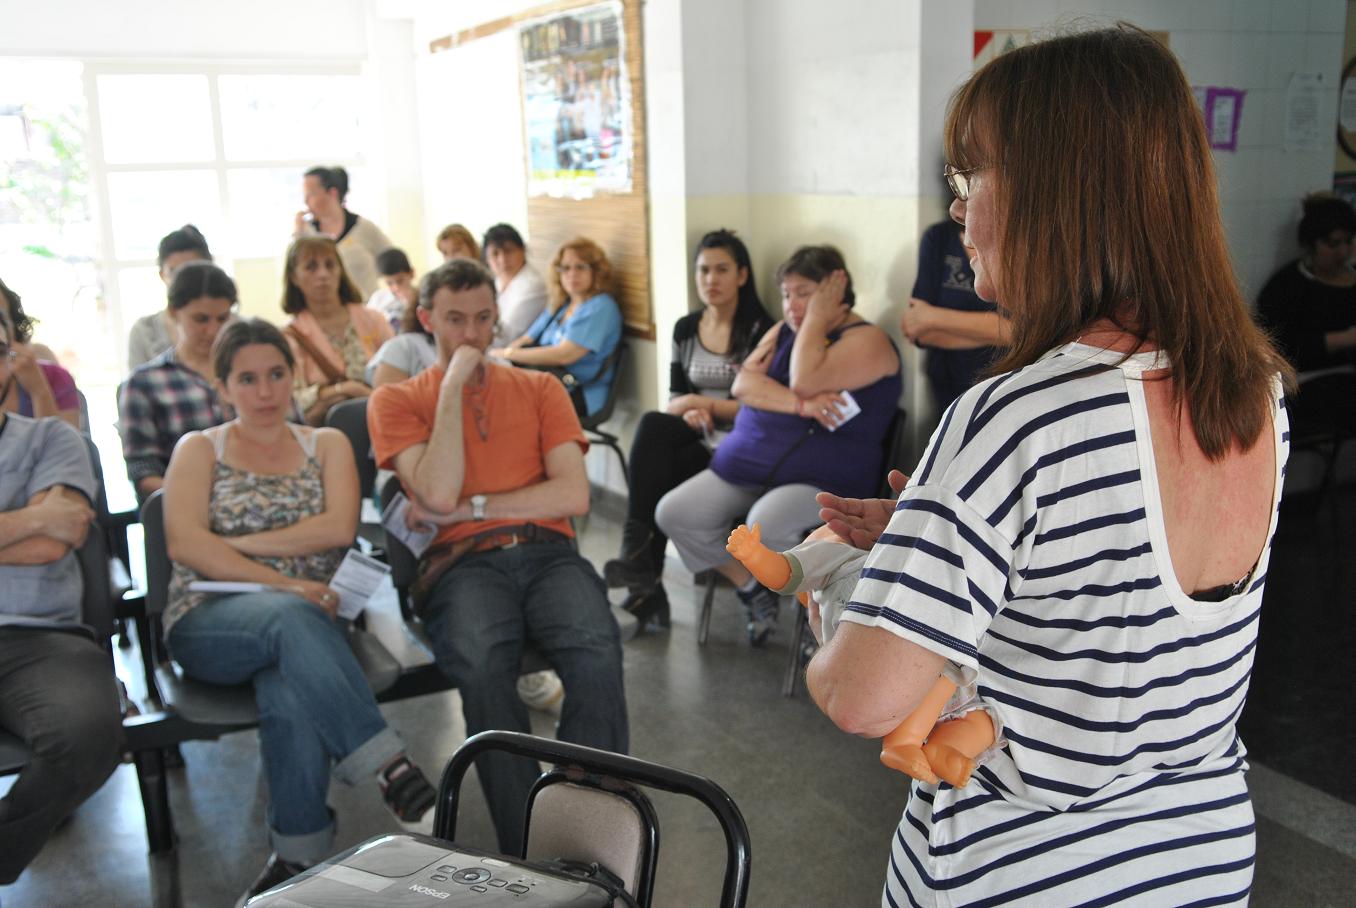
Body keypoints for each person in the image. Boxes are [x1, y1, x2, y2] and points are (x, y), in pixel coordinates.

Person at [808, 26, 1292, 906]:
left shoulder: (1018, 413)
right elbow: (1118, 603)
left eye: (973, 177)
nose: (958, 209)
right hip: (1199, 859)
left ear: (1060, 194)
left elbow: (862, 698)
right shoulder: (1255, 388)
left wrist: (838, 585)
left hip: (1026, 873)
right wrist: (945, 537)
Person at [161, 318, 437, 904]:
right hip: (211, 619)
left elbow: (336, 529)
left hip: (315, 619)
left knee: (290, 686)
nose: (265, 392)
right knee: (288, 618)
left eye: (277, 374)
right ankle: (389, 766)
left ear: (294, 376)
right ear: (223, 387)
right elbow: (184, 546)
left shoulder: (327, 444)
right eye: (248, 379)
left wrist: (230, 546)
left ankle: (298, 856)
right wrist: (280, 582)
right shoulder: (198, 449)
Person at [368, 258, 627, 855]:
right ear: (427, 318)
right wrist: (454, 385)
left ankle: (582, 828)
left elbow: (572, 493)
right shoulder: (397, 402)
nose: (472, 334)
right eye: (455, 320)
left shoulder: (541, 388)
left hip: (546, 551)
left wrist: (471, 507)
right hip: (459, 567)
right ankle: (529, 850)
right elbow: (434, 492)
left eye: (484, 319)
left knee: (595, 648)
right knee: (483, 665)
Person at [654, 245, 901, 646]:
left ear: (835, 287)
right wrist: (801, 405)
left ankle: (813, 617)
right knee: (676, 513)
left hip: (822, 475)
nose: (791, 305)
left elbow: (805, 378)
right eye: (786, 295)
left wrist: (816, 321)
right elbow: (743, 384)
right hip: (753, 462)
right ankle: (753, 590)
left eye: (804, 293)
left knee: (764, 526)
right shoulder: (785, 331)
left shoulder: (868, 340)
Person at [0, 313, 123, 887]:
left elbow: (59, 537)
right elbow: (40, 527)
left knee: (88, 728)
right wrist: (28, 517)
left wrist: (41, 525)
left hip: (39, 636)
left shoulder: (53, 438)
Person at [601, 229, 772, 629]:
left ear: (742, 276)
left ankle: (643, 578)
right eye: (703, 270)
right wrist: (689, 412)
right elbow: (676, 399)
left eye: (721, 270)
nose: (710, 279)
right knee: (654, 427)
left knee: (659, 472)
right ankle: (640, 566)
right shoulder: (685, 328)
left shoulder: (763, 331)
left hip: (739, 446)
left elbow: (762, 406)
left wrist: (704, 404)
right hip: (696, 437)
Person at [119, 261, 237, 501]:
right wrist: (200, 499)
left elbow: (295, 440)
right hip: (186, 507)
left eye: (222, 318)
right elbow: (144, 473)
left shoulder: (254, 372)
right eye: (201, 319)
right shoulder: (145, 383)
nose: (213, 330)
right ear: (174, 313)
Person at [488, 237, 621, 417]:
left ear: (596, 272)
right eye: (565, 268)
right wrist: (499, 360)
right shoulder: (561, 306)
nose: (572, 274)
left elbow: (564, 355)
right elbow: (526, 339)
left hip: (578, 392)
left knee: (502, 409)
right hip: (548, 383)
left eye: (580, 267)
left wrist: (506, 354)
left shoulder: (601, 307)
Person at [1256, 192, 1356, 432]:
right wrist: (1344, 339)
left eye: (1348, 242)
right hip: (1305, 384)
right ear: (1312, 245)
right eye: (1333, 244)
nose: (1343, 252)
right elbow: (1279, 349)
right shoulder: (1287, 287)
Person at [281, 236, 393, 425]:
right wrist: (347, 389)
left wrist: (337, 393)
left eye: (330, 265)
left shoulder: (374, 320)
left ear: (341, 271)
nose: (323, 274)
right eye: (311, 267)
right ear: (294, 277)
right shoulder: (289, 337)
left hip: (385, 421)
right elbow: (291, 398)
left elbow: (401, 376)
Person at [899, 217, 1009, 410]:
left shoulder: (1018, 240)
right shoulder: (938, 237)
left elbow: (1022, 332)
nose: (957, 207)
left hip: (1004, 384)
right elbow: (917, 330)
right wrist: (997, 330)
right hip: (948, 385)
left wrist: (933, 317)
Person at [294, 165, 393, 299]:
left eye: (311, 195)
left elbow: (393, 261)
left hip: (365, 311)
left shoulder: (363, 227)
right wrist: (298, 234)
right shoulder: (307, 234)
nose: (305, 201)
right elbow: (293, 274)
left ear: (332, 193)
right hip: (324, 314)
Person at [128, 225, 213, 368]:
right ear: (162, 275)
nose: (184, 280)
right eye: (175, 272)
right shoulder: (144, 332)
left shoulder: (231, 327)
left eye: (192, 270)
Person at [0, 278, 79, 428]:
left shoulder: (55, 378)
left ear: (14, 324)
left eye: (1, 318)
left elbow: (65, 448)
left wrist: (39, 390)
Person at [481, 223, 547, 347]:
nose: (502, 260)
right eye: (495, 254)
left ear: (522, 250)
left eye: (508, 251)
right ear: (487, 259)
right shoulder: (496, 281)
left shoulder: (532, 286)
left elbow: (506, 336)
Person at [367, 247, 418, 333]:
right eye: (389, 283)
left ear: (412, 273)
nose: (396, 287)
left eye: (400, 281)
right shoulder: (378, 298)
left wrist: (412, 304)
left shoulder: (421, 297)